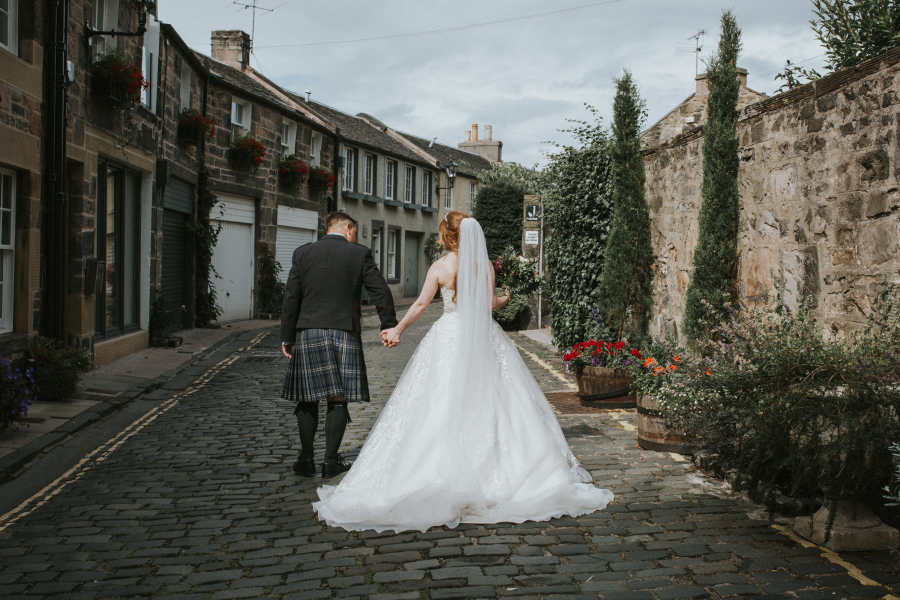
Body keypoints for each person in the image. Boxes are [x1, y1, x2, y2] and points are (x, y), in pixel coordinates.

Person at [313, 211, 614, 532]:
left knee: (439, 399)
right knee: (497, 398)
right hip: (483, 335)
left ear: (449, 236)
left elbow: (420, 305)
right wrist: (508, 296)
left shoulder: (440, 267)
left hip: (449, 335)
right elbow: (490, 304)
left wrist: (397, 329)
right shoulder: (484, 266)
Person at [280, 211, 397, 479]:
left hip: (308, 330)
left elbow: (291, 297)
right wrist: (388, 324)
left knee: (307, 395)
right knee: (338, 396)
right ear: (347, 228)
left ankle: (306, 459)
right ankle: (330, 462)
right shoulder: (359, 253)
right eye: (354, 231)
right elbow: (380, 290)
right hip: (344, 330)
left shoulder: (303, 253)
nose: (354, 235)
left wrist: (287, 336)